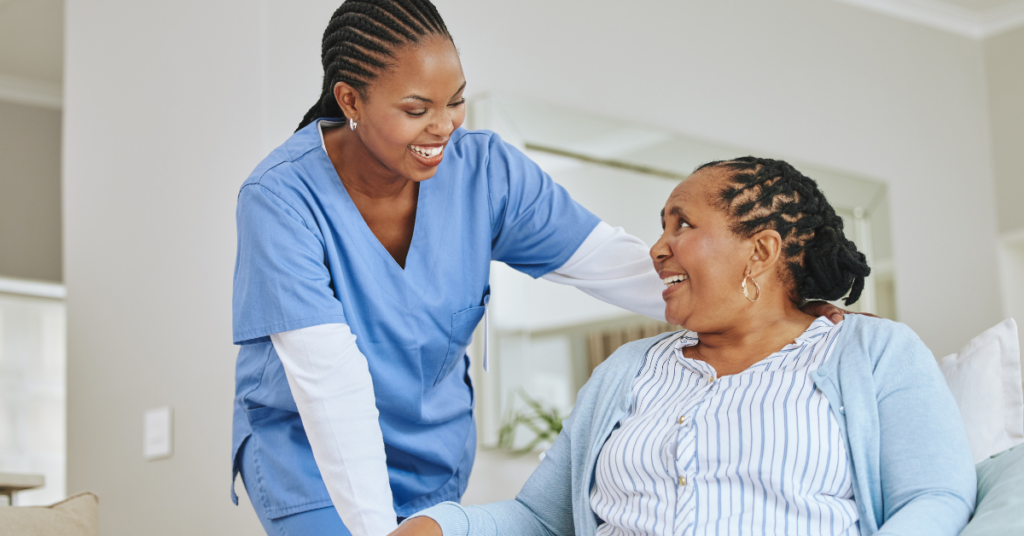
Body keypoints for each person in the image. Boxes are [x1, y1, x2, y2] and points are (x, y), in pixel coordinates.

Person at [230, 2, 849, 534]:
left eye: (456, 102)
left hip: (432, 460)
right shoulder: (281, 198)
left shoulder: (484, 172)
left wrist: (779, 306)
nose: (444, 127)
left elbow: (612, 264)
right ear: (350, 99)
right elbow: (329, 383)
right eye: (417, 109)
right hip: (311, 458)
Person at [395, 157, 977, 536]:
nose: (657, 247)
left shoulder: (873, 352)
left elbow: (935, 496)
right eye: (662, 226)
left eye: (683, 225)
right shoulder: (627, 370)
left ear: (761, 250)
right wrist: (444, 526)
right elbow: (538, 518)